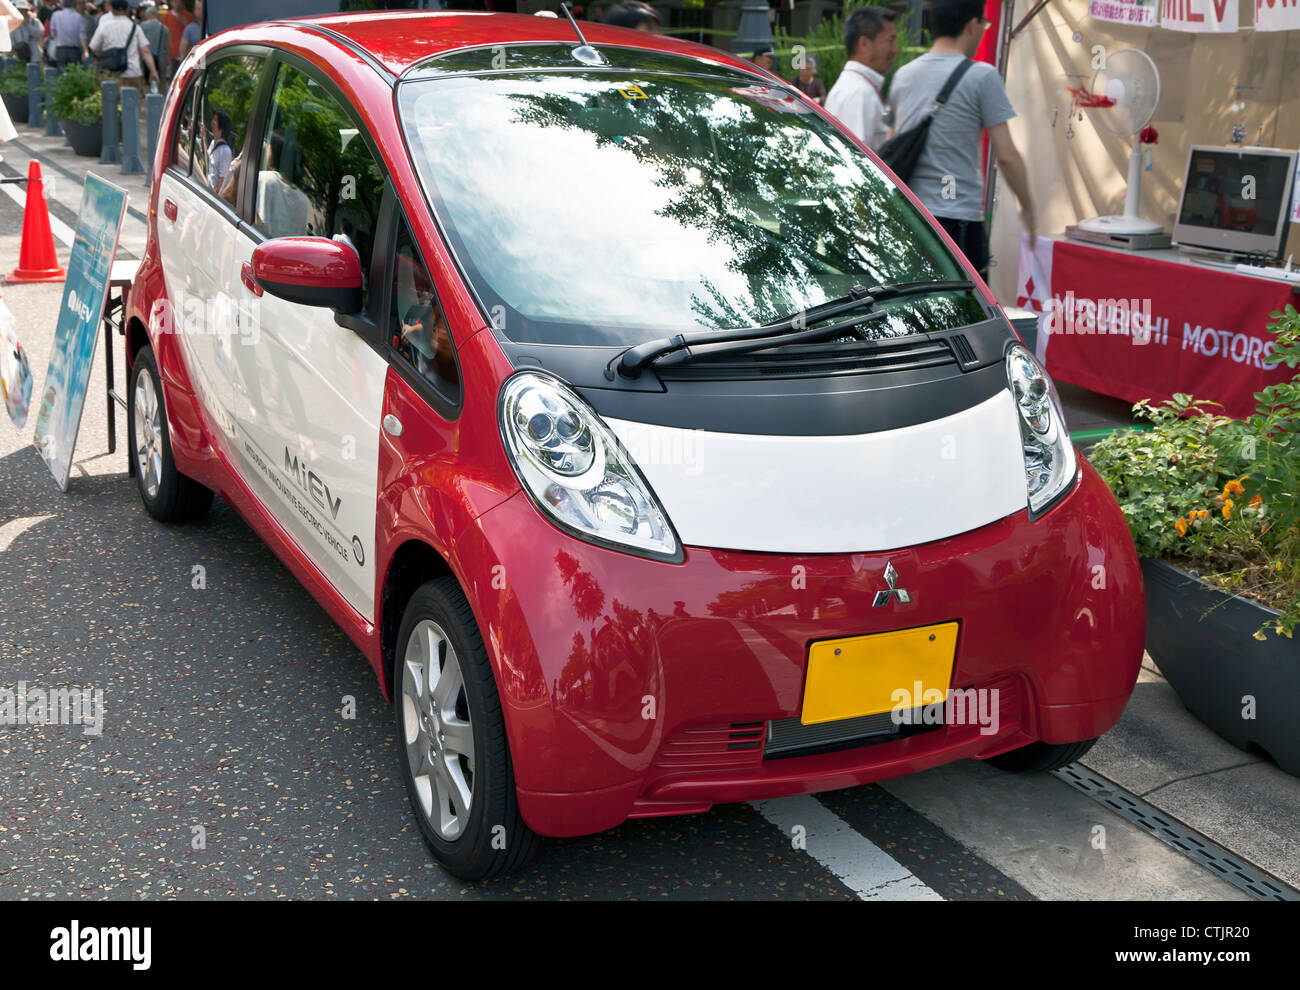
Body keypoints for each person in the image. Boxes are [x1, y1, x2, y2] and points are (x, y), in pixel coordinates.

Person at [887, 0, 1035, 279]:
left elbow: (892, 146)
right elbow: (1006, 155)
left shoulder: (903, 76)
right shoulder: (982, 76)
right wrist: (1027, 207)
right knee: (969, 313)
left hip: (911, 221)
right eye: (984, 25)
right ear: (971, 25)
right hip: (959, 224)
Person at [824, 7, 896, 151]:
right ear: (863, 43)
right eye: (890, 41)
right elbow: (855, 160)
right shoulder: (859, 93)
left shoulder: (857, 87)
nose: (895, 50)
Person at [89, 0, 159, 90]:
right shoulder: (135, 28)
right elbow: (145, 51)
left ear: (112, 9)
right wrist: (153, 72)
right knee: (133, 101)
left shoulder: (104, 26)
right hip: (133, 73)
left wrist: (105, 56)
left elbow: (94, 48)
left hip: (111, 73)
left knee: (111, 102)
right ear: (127, 10)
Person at [135, 1, 168, 80]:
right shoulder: (164, 28)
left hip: (145, 60)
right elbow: (167, 47)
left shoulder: (141, 26)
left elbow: (138, 45)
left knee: (146, 83)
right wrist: (169, 61)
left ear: (148, 15)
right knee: (161, 83)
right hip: (161, 59)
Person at [47, 0, 85, 68]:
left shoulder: (56, 15)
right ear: (74, 4)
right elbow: (82, 35)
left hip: (60, 49)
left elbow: (53, 33)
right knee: (73, 72)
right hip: (74, 50)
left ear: (62, 4)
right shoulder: (78, 17)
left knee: (61, 72)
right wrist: (85, 50)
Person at [206, 108, 232, 191]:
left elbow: (222, 180)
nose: (212, 122)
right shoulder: (213, 143)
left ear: (222, 126)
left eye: (215, 120)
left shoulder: (225, 151)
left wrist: (213, 197)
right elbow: (207, 160)